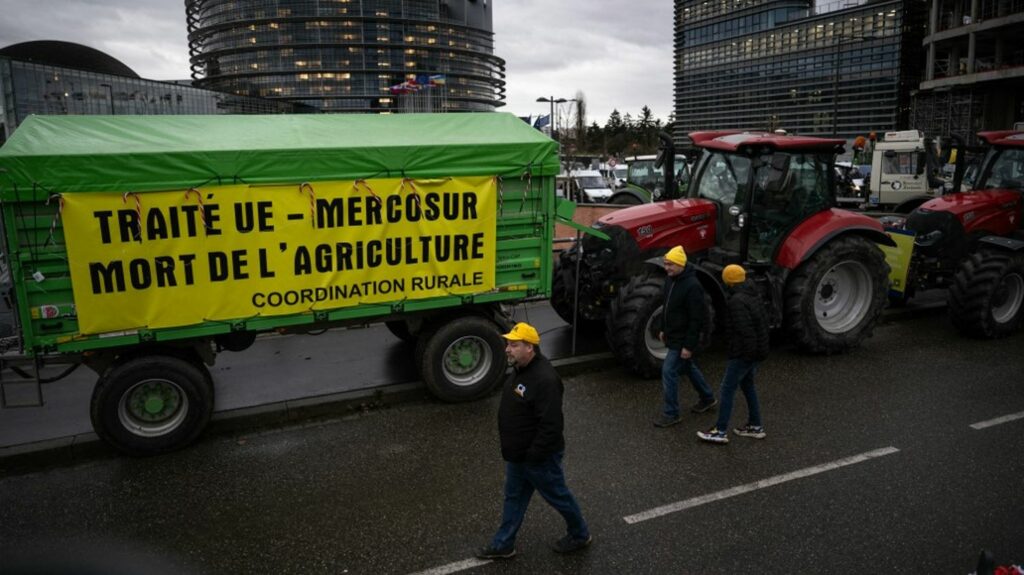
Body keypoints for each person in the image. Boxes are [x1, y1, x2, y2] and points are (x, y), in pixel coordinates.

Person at [476, 322, 592, 559]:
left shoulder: (545, 379)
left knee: (558, 495)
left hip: (538, 458)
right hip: (520, 456)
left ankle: (580, 534)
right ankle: (503, 544)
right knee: (513, 497)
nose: (508, 349)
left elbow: (551, 426)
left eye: (514, 345)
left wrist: (533, 457)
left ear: (530, 348)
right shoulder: (521, 368)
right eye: (508, 344)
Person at [697, 265, 769, 444]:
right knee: (748, 386)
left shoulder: (736, 302)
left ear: (728, 281)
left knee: (727, 389)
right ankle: (755, 425)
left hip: (743, 354)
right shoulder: (753, 294)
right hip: (754, 352)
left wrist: (745, 356)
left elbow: (745, 332)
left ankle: (720, 431)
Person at [655, 246, 717, 428]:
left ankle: (671, 413)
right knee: (688, 367)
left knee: (668, 371)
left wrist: (688, 346)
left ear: (680, 264)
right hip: (672, 335)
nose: (667, 268)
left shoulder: (692, 286)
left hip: (682, 339)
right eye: (666, 264)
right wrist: (662, 328)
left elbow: (696, 319)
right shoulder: (671, 280)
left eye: (670, 265)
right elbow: (666, 307)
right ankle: (707, 398)